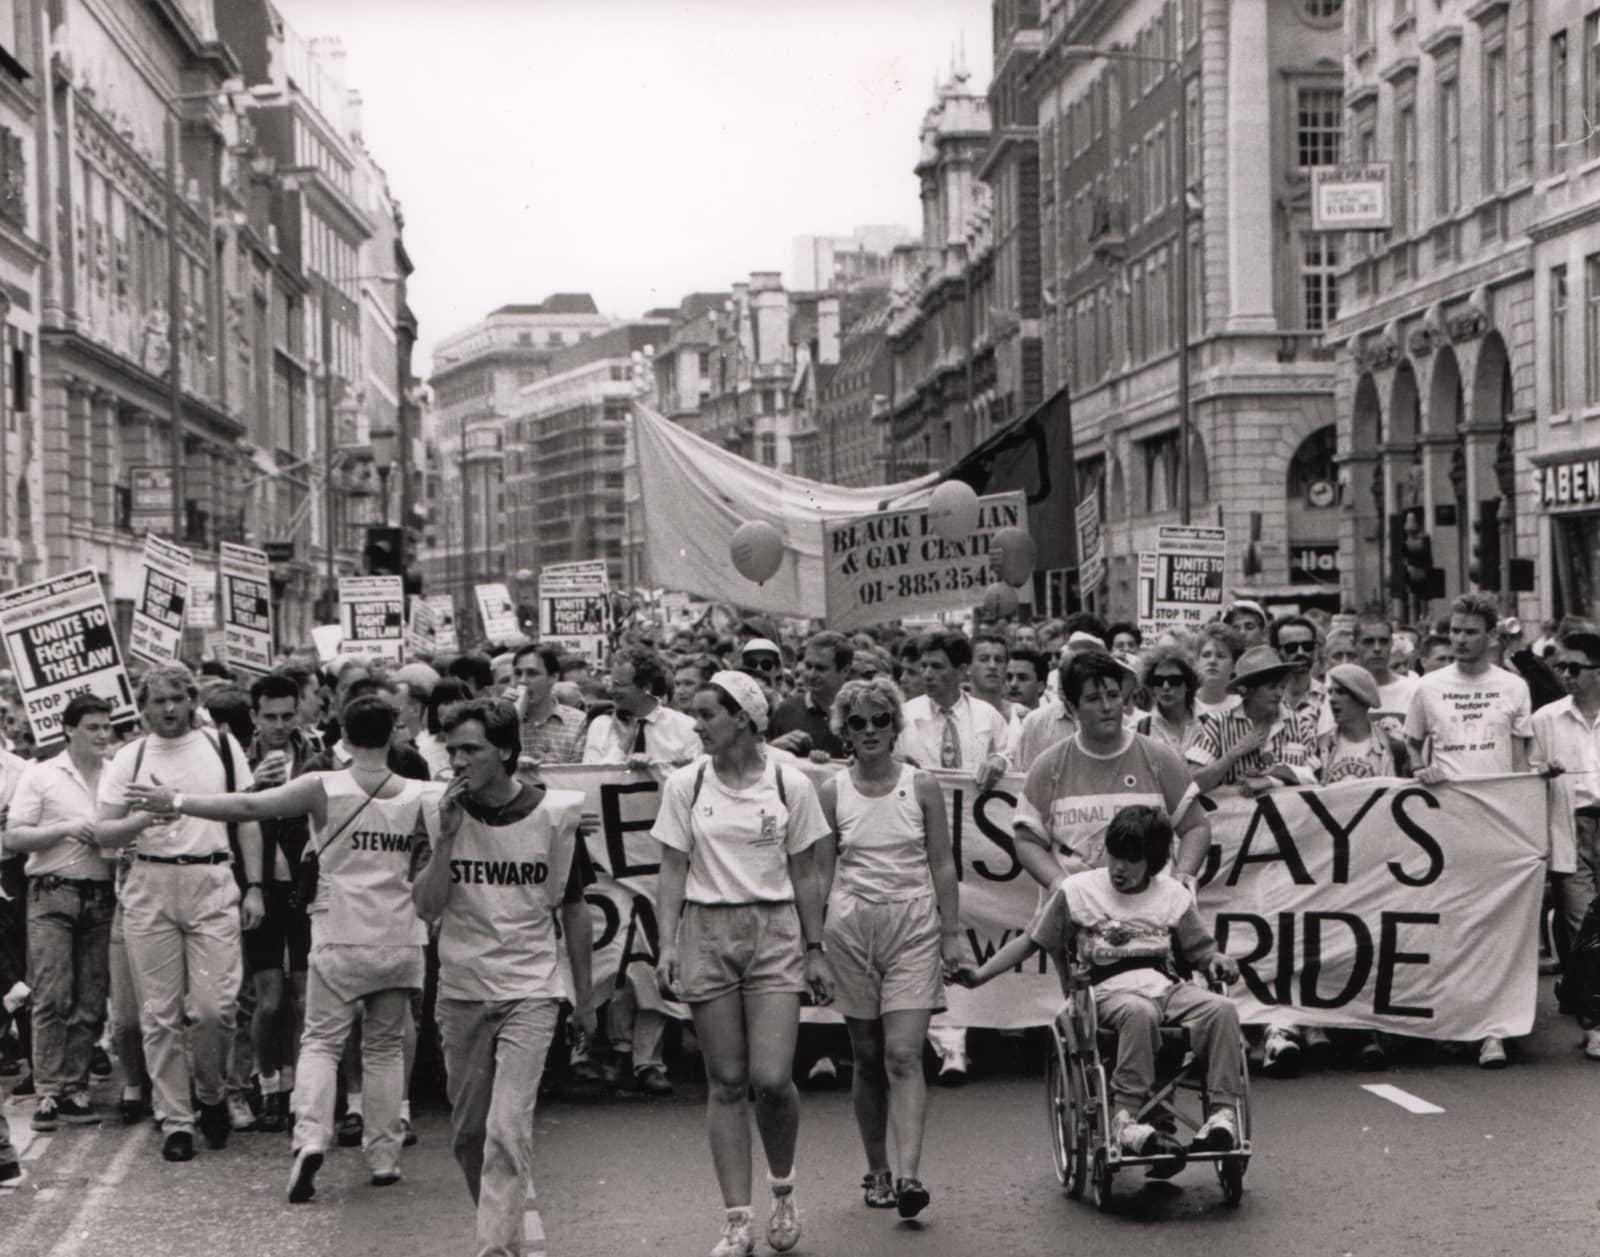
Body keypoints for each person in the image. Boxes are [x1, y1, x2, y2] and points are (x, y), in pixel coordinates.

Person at [127, 694, 429, 1200]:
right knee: (382, 1048)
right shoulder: (421, 792)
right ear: (394, 736)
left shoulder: (322, 786)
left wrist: (176, 802)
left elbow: (247, 805)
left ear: (345, 739)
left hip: (338, 934)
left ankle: (310, 1138)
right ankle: (383, 1155)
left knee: (320, 1042)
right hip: (399, 937)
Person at [653, 671, 832, 1257]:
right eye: (695, 715)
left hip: (774, 928)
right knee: (726, 1080)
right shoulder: (686, 782)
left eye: (706, 715)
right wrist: (668, 944)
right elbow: (673, 869)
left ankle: (783, 1186)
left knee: (772, 1078)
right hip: (707, 929)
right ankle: (736, 1218)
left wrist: (814, 947)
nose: (697, 726)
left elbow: (806, 870)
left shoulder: (789, 783)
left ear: (744, 720)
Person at [412, 698, 595, 1257]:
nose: (458, 759)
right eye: (452, 749)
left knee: (506, 1128)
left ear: (506, 751)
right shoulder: (436, 810)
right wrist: (445, 838)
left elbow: (574, 908)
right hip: (463, 990)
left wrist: (584, 999)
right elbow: (425, 906)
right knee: (470, 1137)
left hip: (531, 990)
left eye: (471, 749)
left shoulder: (555, 816)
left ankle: (493, 1250)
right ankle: (505, 1237)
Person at [957, 805, 1242, 1160]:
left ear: (1152, 861)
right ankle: (1124, 1119)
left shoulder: (1172, 895)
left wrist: (1218, 960)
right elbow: (1030, 941)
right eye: (1115, 856)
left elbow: (1202, 951)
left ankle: (1221, 1114)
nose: (1119, 867)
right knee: (1139, 1012)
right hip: (1104, 991)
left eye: (1131, 859)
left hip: (1164, 986)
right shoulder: (1078, 891)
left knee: (1223, 1009)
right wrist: (980, 975)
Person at [96, 664, 264, 1162]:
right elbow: (104, 835)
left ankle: (211, 1092)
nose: (168, 709)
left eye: (177, 699)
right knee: (159, 1015)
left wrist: (254, 887)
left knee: (215, 1009)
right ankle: (176, 1120)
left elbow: (248, 819)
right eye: (157, 701)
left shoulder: (222, 747)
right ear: (142, 708)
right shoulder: (130, 757)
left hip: (211, 881)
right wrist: (150, 814)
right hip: (149, 885)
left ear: (193, 701)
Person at [816, 678, 959, 1219]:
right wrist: (814, 946)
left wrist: (951, 934)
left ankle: (909, 1176)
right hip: (852, 929)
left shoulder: (921, 786)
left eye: (880, 720)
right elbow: (822, 871)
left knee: (903, 1053)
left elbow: (943, 862)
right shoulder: (832, 791)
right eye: (858, 722)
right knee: (868, 1056)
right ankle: (875, 1169)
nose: (871, 731)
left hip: (913, 925)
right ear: (845, 731)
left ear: (895, 725)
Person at [1405, 592, 1532, 1070]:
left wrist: (1525, 820)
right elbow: (1412, 745)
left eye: (1470, 632)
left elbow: (1521, 760)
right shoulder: (1429, 687)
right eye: (1455, 631)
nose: (1460, 640)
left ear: (1491, 636)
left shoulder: (1513, 688)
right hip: (1444, 824)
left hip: (1499, 824)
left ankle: (1494, 1031)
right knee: (1453, 925)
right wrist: (1423, 770)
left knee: (1499, 929)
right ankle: (1456, 1022)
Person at [892, 630, 1008, 1083]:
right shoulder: (905, 717)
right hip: (921, 840)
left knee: (967, 934)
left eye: (939, 667)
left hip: (976, 847)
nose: (928, 675)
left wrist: (1000, 761)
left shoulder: (987, 717)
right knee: (931, 935)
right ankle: (944, 1045)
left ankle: (973, 1033)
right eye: (923, 667)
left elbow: (1008, 757)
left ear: (961, 672)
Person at [5, 695, 115, 1131]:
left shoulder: (116, 776)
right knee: (52, 994)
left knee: (91, 997)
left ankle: (75, 1087)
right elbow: (15, 838)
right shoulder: (42, 774)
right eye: (93, 727)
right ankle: (48, 1091)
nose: (103, 735)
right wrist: (68, 829)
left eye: (107, 726)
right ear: (69, 729)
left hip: (102, 894)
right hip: (52, 893)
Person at [1014, 652, 1212, 890]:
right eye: (1093, 698)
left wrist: (1183, 877)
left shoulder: (1159, 757)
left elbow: (1195, 827)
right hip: (1078, 915)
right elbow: (1027, 840)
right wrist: (1059, 884)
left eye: (1113, 695)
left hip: (1149, 916)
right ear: (1072, 707)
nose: (1107, 707)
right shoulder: (1050, 765)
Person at [241, 672, 319, 1134]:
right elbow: (230, 812)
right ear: (254, 716)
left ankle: (301, 1087)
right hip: (262, 887)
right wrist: (252, 785)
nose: (279, 724)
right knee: (269, 1000)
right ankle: (267, 1080)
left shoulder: (315, 757)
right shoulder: (237, 757)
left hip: (305, 887)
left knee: (306, 997)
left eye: (288, 715)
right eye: (269, 716)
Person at [1530, 629, 1600, 1056]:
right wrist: (1545, 773)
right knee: (1581, 925)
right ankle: (1595, 1024)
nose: (1567, 676)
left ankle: (1577, 990)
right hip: (1570, 824)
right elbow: (1528, 777)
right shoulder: (1546, 720)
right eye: (1562, 668)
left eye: (1576, 668)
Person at [1188, 646, 1319, 798]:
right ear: (1247, 691)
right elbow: (1192, 783)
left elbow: (1317, 778)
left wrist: (1272, 778)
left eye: (1281, 686)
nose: (1279, 694)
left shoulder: (1299, 724)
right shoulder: (1218, 724)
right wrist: (1233, 754)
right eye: (1271, 687)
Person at [583, 646, 700, 767]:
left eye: (618, 685)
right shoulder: (601, 725)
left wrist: (655, 769)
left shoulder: (686, 728)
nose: (610, 690)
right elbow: (589, 779)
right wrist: (622, 747)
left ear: (646, 687)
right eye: (611, 683)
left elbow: (693, 781)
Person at [1318, 664, 1411, 783]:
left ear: (1362, 699)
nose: (1332, 699)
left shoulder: (1395, 749)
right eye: (1331, 692)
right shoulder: (1322, 746)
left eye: (1341, 692)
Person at [767, 631, 853, 761]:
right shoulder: (785, 711)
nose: (811, 675)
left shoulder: (860, 710)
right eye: (808, 666)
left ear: (845, 671)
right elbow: (759, 764)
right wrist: (773, 748)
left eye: (820, 668)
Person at [510, 644, 587, 768]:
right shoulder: (500, 720)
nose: (522, 680)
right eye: (518, 673)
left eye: (532, 673)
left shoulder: (578, 722)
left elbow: (580, 775)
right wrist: (509, 719)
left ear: (553, 677)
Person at [1353, 612, 1418, 737]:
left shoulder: (1413, 690)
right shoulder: (1340, 690)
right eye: (1368, 642)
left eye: (1383, 641)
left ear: (1391, 644)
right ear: (1354, 644)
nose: (1377, 648)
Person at [1269, 616, 1324, 726]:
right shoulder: (1267, 699)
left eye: (1307, 646)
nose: (1301, 652)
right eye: (1291, 647)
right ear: (1276, 653)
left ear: (1315, 650)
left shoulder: (1327, 698)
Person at [1193, 621, 1244, 718]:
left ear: (1234, 665)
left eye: (1220, 656)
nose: (1212, 661)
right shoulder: (1184, 706)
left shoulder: (1243, 707)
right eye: (1206, 655)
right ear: (1197, 662)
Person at [967, 631, 1011, 719]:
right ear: (968, 667)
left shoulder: (1021, 716)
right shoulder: (954, 714)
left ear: (1006, 667)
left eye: (998, 660)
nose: (992, 666)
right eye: (984, 659)